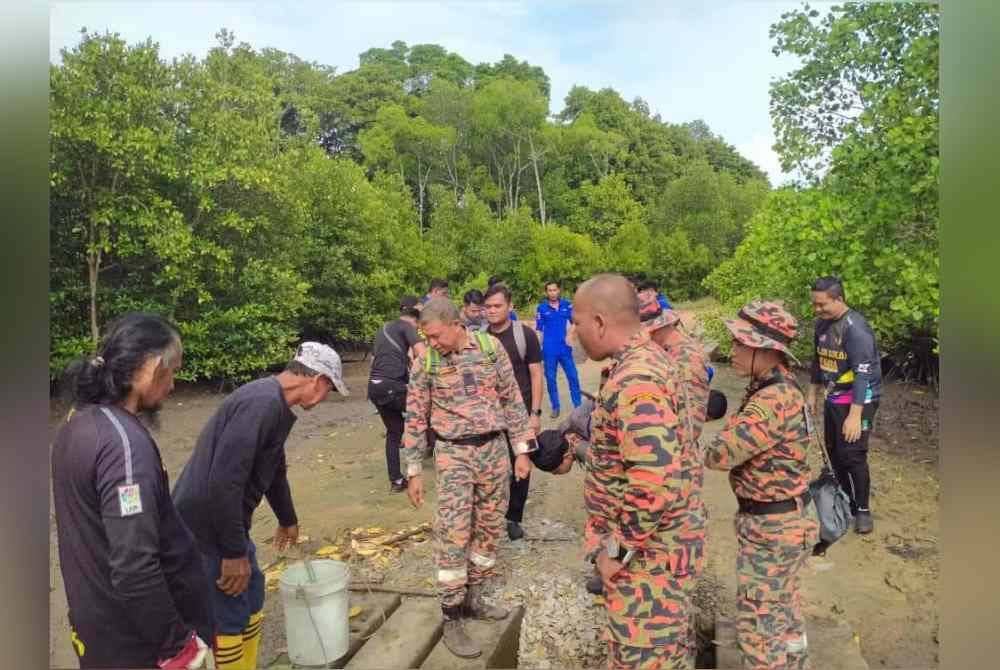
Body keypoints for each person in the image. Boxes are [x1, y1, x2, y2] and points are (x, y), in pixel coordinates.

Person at [172, 342, 349, 670]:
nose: (326, 398)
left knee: (252, 595)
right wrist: (232, 553)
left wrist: (287, 517)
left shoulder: (276, 405)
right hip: (204, 525)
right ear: (318, 380)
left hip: (227, 521)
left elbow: (274, 468)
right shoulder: (261, 403)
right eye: (330, 390)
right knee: (228, 611)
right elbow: (223, 482)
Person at [52, 313, 213, 669]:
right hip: (139, 644)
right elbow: (134, 566)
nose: (173, 385)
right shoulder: (124, 446)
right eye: (172, 371)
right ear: (153, 368)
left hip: (98, 630)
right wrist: (177, 646)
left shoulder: (77, 424)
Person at [571, 274, 706, 670]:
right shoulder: (642, 361)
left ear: (599, 322)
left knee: (644, 659)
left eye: (576, 323)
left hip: (649, 562)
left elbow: (654, 483)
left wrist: (616, 552)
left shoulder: (637, 380)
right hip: (654, 553)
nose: (572, 334)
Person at [401, 298, 535, 659]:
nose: (432, 343)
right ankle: (451, 614)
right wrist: (413, 471)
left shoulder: (490, 349)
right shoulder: (427, 362)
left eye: (436, 336)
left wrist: (522, 451)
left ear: (455, 323)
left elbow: (512, 401)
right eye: (427, 338)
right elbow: (415, 418)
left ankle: (475, 597)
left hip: (493, 451)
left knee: (489, 528)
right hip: (454, 454)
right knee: (454, 532)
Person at [702, 300, 819, 670]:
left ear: (766, 350)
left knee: (758, 630)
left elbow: (719, 455)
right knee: (784, 607)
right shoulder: (776, 386)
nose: (732, 350)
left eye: (741, 343)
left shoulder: (770, 401)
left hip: (772, 530)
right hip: (787, 521)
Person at [808, 276, 882, 534]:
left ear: (839, 299)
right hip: (833, 396)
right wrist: (812, 393)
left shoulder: (856, 329)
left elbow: (863, 374)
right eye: (814, 304)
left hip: (860, 399)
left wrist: (855, 415)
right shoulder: (821, 325)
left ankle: (863, 510)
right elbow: (817, 360)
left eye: (822, 304)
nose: (817, 309)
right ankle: (846, 500)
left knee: (853, 454)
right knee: (834, 451)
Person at [484, 283, 543, 540]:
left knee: (522, 463)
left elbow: (536, 374)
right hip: (491, 417)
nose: (492, 311)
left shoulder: (524, 335)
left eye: (497, 306)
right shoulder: (479, 339)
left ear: (510, 306)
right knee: (493, 468)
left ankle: (513, 518)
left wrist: (536, 413)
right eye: (488, 307)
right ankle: (490, 515)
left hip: (523, 413)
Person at [368, 296, 428, 492]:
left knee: (394, 432)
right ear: (415, 319)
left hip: (375, 387)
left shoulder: (384, 328)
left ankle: (396, 480)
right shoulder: (408, 327)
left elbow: (374, 361)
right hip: (393, 386)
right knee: (427, 412)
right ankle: (438, 459)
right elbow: (423, 355)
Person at [535, 280, 582, 418]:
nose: (552, 293)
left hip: (564, 347)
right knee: (550, 379)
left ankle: (578, 405)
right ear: (546, 292)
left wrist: (570, 334)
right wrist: (537, 347)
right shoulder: (541, 308)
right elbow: (539, 329)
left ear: (559, 290)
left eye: (554, 290)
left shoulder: (567, 305)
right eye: (549, 290)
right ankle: (555, 407)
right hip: (549, 348)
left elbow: (575, 322)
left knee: (573, 376)